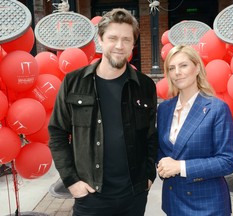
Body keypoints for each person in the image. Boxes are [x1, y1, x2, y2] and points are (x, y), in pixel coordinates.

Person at [48, 8, 158, 216]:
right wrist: (71, 181)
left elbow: (151, 136)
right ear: (100, 40)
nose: (119, 45)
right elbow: (57, 134)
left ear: (133, 44)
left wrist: (149, 175)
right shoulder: (73, 82)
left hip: (133, 195)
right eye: (113, 38)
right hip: (90, 196)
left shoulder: (144, 86)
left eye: (126, 39)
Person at [156, 45, 233, 216]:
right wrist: (162, 165)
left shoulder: (216, 108)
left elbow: (227, 161)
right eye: (171, 68)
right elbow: (162, 150)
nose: (177, 72)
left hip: (207, 204)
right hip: (173, 201)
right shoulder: (164, 109)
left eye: (183, 65)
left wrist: (180, 166)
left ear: (197, 68)